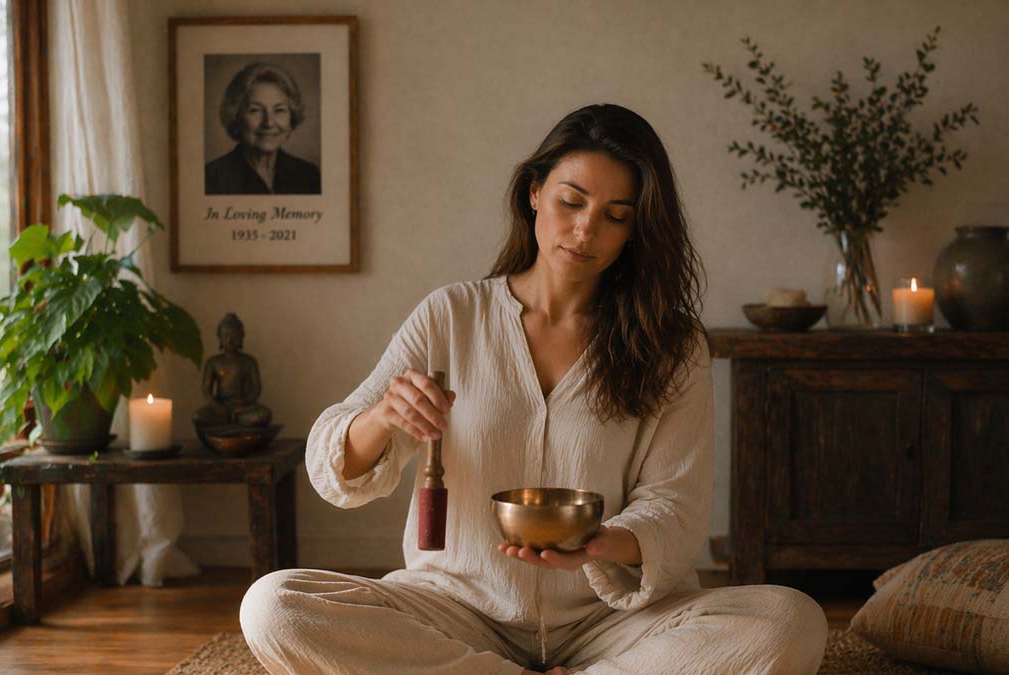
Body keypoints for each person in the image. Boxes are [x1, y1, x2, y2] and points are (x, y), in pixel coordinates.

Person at [239, 104, 828, 674]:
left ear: (637, 230)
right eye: (572, 201)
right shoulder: (451, 315)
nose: (585, 229)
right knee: (274, 606)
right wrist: (382, 417)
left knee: (790, 621)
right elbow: (331, 466)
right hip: (455, 612)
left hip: (610, 621)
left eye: (615, 215)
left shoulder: (672, 343)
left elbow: (677, 505)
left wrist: (601, 543)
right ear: (534, 193)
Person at [205, 62, 321, 195]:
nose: (269, 123)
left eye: (279, 110)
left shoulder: (308, 175)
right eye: (255, 110)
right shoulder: (212, 177)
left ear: (292, 117)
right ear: (235, 115)